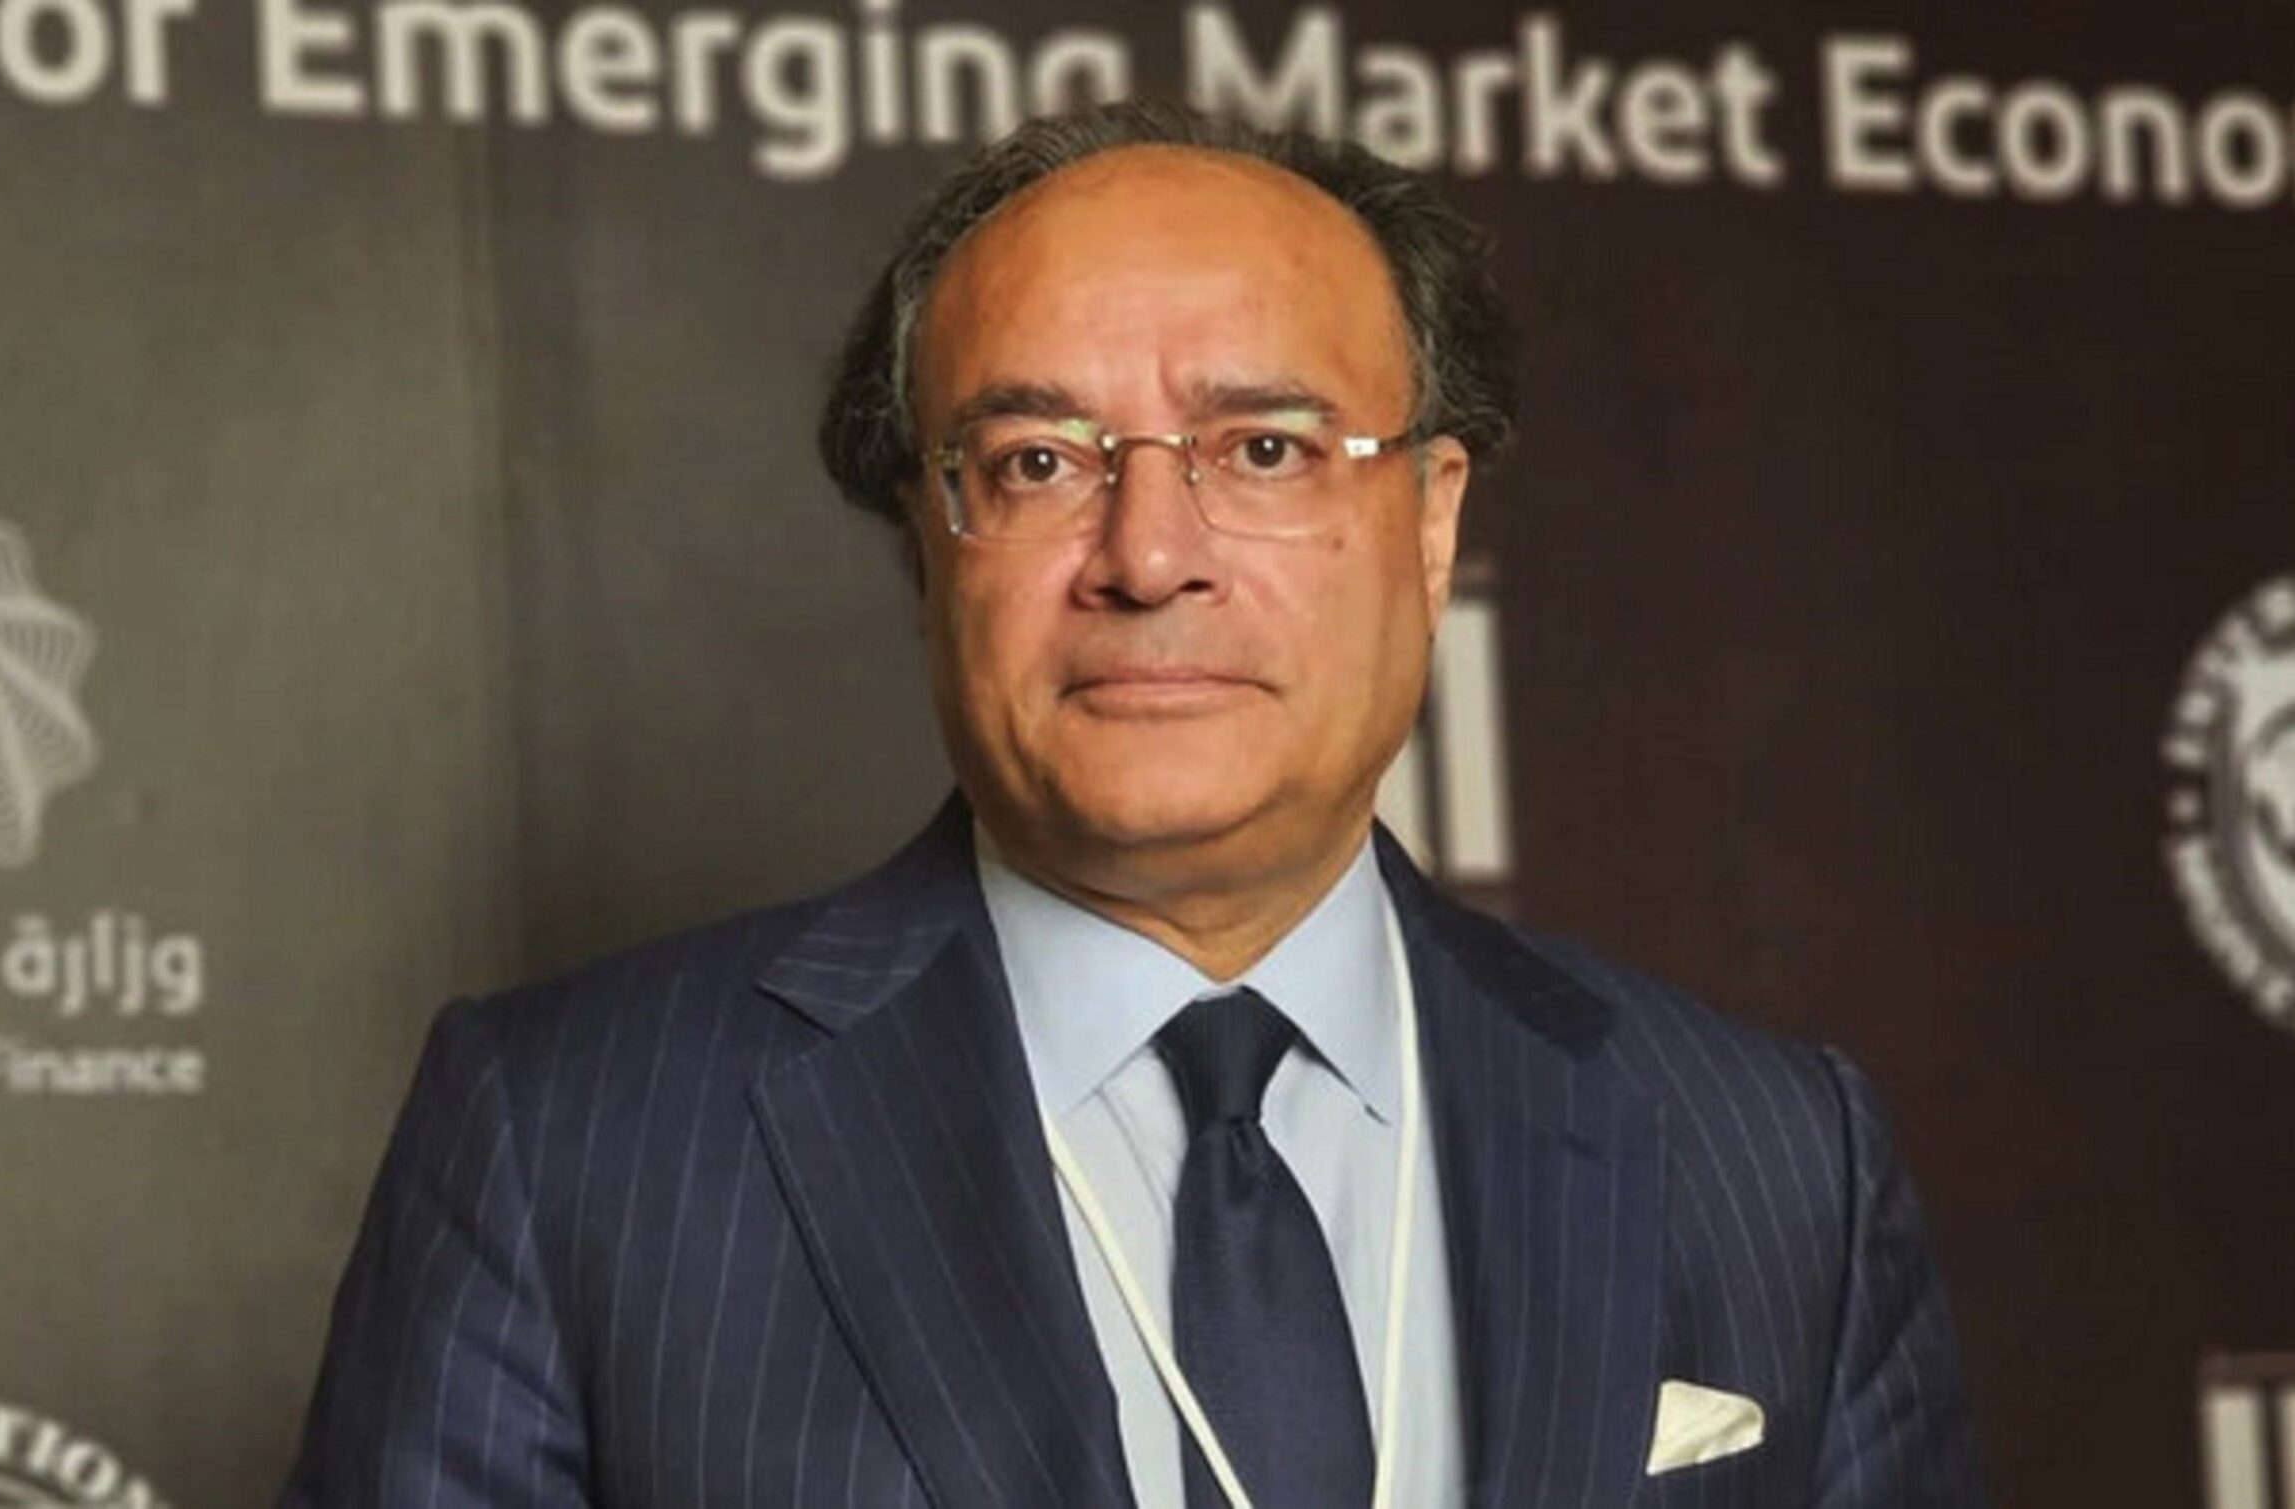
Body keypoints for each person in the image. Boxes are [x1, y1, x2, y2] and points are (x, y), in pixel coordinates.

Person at [283, 101, 1985, 1508]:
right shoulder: (569, 1143)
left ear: (1432, 522)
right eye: (1036, 462)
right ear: (928, 551)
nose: (1149, 556)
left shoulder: (1776, 1161)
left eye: (1264, 449)